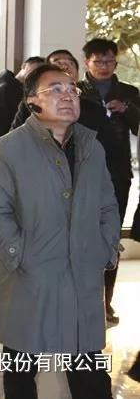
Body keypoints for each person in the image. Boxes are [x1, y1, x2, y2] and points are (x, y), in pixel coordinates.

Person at [0, 63, 120, 399]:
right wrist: (21, 254)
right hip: (30, 279)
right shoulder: (7, 149)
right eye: (55, 89)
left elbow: (107, 205)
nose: (68, 96)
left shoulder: (92, 147)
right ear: (32, 102)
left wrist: (105, 248)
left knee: (90, 377)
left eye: (72, 89)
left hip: (82, 278)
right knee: (21, 371)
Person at [79, 37, 139, 325]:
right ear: (87, 62)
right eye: (98, 61)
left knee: (111, 237)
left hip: (117, 173)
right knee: (83, 236)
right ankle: (82, 299)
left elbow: (139, 126)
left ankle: (106, 301)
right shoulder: (76, 90)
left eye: (109, 61)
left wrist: (128, 110)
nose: (104, 66)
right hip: (83, 172)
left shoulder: (129, 92)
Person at [0, 56, 44, 137]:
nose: (35, 73)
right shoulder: (7, 87)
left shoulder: (24, 88)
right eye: (35, 69)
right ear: (23, 66)